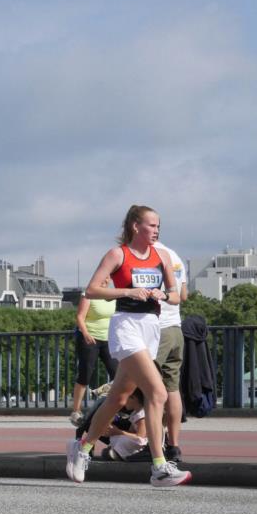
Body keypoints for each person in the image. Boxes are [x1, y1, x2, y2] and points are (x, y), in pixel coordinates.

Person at [65, 205, 192, 487]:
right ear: (135, 226)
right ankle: (159, 467)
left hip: (151, 328)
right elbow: (92, 289)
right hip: (126, 327)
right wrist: (128, 291)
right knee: (157, 391)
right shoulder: (118, 254)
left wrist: (163, 294)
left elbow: (176, 295)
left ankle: (83, 446)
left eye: (159, 226)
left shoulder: (161, 256)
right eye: (151, 225)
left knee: (118, 398)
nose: (156, 231)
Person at [153, 240, 189, 462]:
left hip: (157, 329)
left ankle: (152, 444)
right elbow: (183, 295)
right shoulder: (174, 254)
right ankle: (174, 446)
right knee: (172, 389)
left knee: (151, 391)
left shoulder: (148, 255)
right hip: (176, 327)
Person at [68, 292, 117, 426]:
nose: (106, 280)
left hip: (108, 339)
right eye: (103, 278)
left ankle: (117, 407)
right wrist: (85, 334)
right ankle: (76, 411)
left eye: (108, 278)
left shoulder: (113, 295)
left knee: (118, 374)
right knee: (85, 374)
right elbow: (79, 316)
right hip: (89, 338)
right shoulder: (88, 294)